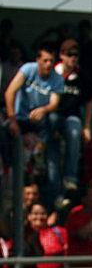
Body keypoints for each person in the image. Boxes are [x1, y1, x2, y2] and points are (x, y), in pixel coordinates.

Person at [3, 43, 64, 206]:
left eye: (51, 61)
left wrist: (43, 109)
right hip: (20, 118)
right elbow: (10, 92)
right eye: (45, 60)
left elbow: (54, 103)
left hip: (39, 122)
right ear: (37, 60)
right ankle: (7, 164)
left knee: (53, 119)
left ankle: (39, 155)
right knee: (4, 131)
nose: (48, 64)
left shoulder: (57, 78)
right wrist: (12, 119)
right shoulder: (28, 69)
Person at [53, 39, 92, 196]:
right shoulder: (52, 73)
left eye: (76, 55)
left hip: (72, 117)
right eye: (70, 54)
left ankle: (70, 177)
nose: (73, 58)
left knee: (75, 131)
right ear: (62, 55)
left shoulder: (82, 76)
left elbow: (89, 100)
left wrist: (87, 126)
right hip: (53, 116)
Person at [23, 202, 68, 268]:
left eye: (43, 214)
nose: (39, 217)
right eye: (35, 213)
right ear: (29, 216)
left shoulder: (59, 231)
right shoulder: (22, 234)